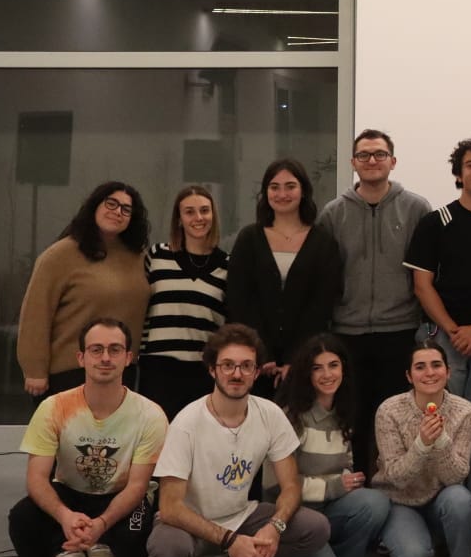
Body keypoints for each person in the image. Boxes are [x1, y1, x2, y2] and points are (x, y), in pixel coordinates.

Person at [145, 323, 332, 557]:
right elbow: (169, 507)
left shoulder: (269, 414)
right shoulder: (186, 423)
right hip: (189, 523)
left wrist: (275, 527)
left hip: (241, 515)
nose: (237, 374)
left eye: (246, 366)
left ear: (257, 373)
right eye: (228, 365)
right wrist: (231, 541)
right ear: (212, 370)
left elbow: (291, 486)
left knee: (315, 528)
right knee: (167, 552)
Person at [0, 318, 166, 557]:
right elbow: (36, 479)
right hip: (71, 492)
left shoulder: (150, 415)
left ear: (129, 357)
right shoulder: (53, 407)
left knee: (138, 526)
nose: (105, 358)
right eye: (96, 350)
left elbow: (138, 485)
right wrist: (65, 516)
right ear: (81, 358)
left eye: (115, 350)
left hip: (123, 494)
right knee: (22, 517)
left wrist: (101, 523)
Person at [404, 135, 471, 546]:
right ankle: (439, 524)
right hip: (441, 338)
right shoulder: (435, 222)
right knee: (437, 427)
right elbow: (422, 284)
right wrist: (454, 330)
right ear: (458, 173)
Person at [316, 128, 431, 473]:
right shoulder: (333, 213)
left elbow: (427, 272)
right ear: (353, 163)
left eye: (380, 154)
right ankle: (358, 488)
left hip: (400, 330)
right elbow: (324, 276)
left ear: (392, 161)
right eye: (364, 155)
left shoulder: (416, 208)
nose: (372, 160)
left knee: (396, 419)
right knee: (354, 418)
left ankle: (395, 488)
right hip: (347, 331)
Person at [266, 334, 391, 557]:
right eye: (317, 368)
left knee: (374, 502)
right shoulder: (290, 417)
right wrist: (334, 486)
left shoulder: (343, 413)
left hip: (328, 510)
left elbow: (342, 467)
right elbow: (274, 485)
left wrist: (348, 481)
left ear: (343, 369)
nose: (327, 374)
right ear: (306, 374)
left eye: (333, 365)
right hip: (295, 517)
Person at [17, 181, 150, 398]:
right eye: (111, 203)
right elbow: (36, 315)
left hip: (122, 372)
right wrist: (34, 370)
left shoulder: (138, 258)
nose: (118, 212)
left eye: (126, 209)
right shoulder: (60, 255)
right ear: (94, 206)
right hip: (70, 373)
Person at [227, 159, 343, 397]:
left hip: (305, 361)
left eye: (290, 186)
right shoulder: (249, 238)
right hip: (253, 361)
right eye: (274, 187)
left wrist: (296, 358)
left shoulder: (323, 241)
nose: (282, 194)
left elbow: (321, 305)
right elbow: (239, 299)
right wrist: (261, 353)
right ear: (265, 192)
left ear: (303, 191)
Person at [374, 341, 471, 557]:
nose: (429, 373)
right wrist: (422, 445)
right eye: (420, 367)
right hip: (400, 500)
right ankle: (399, 546)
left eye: (436, 365)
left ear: (448, 372)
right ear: (409, 376)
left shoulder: (465, 411)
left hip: (441, 497)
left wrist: (441, 441)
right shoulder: (389, 410)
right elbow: (396, 477)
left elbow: (456, 476)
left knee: (461, 499)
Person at [141, 185, 229, 420]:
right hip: (158, 369)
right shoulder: (157, 256)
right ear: (179, 219)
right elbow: (139, 308)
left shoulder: (227, 266)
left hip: (202, 371)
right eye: (189, 212)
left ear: (213, 215)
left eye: (204, 210)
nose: (198, 217)